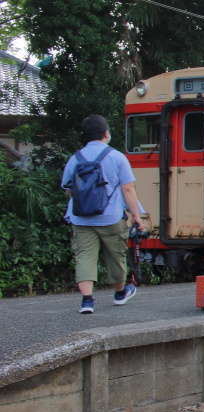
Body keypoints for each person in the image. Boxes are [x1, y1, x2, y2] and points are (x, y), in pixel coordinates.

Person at [61, 114, 144, 315]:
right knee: (116, 256)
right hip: (110, 217)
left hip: (80, 218)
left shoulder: (75, 158)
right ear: (106, 133)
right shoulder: (116, 157)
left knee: (84, 257)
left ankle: (87, 301)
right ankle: (119, 293)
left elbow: (67, 187)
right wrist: (137, 216)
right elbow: (128, 189)